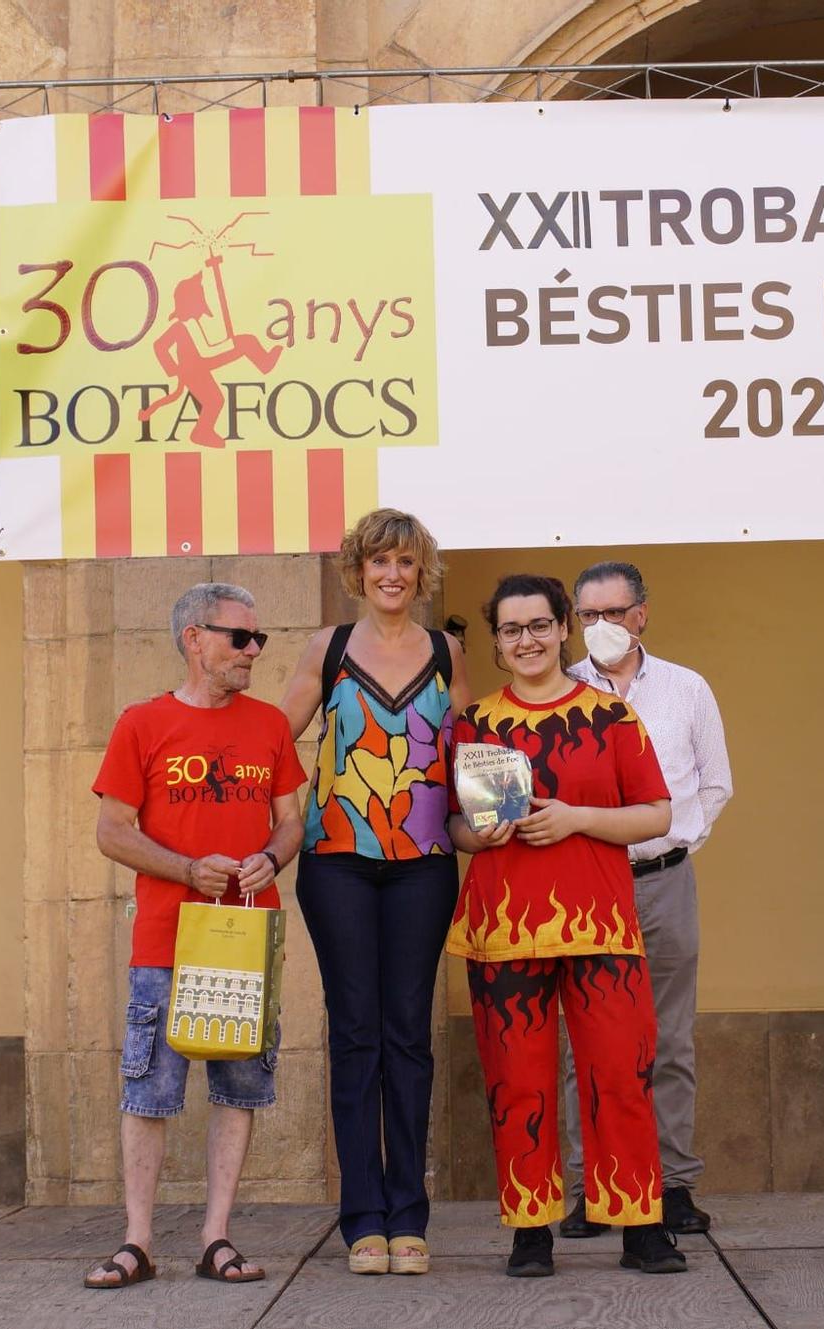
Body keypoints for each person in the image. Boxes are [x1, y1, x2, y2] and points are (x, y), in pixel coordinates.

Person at [446, 573, 686, 1278]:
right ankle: (530, 1230)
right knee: (516, 1081)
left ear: (563, 630)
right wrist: (478, 833)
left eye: (540, 625)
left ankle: (641, 1224)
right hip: (505, 925)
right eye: (513, 629)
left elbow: (657, 814)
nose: (527, 640)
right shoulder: (476, 724)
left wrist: (577, 817)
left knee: (621, 1075)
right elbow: (452, 824)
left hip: (601, 925)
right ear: (497, 642)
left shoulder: (611, 717)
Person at [83, 583, 306, 1291]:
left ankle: (217, 1235)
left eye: (257, 639)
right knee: (149, 1089)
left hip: (246, 936)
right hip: (165, 937)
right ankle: (138, 1240)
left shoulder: (269, 724)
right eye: (240, 638)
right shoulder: (142, 724)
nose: (252, 651)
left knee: (239, 1086)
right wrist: (186, 867)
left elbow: (292, 818)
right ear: (194, 639)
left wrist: (271, 857)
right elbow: (111, 830)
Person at [280, 510, 468, 1276]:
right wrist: (284, 818)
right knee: (355, 1031)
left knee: (409, 1036)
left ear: (422, 572)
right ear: (357, 570)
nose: (393, 573)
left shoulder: (448, 651)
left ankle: (408, 1214)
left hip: (424, 864)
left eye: (406, 561)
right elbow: (271, 743)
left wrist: (490, 821)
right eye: (379, 560)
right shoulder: (325, 649)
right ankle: (361, 1216)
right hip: (337, 864)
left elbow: (469, 758)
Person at [560, 561, 733, 1239]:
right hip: (587, 884)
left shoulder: (687, 689)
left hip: (664, 881)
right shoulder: (564, 690)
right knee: (585, 1046)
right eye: (587, 615)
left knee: (668, 1039)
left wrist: (675, 842)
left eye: (613, 611)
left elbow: (715, 783)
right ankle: (588, 1186)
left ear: (642, 613)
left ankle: (675, 1182)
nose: (599, 626)